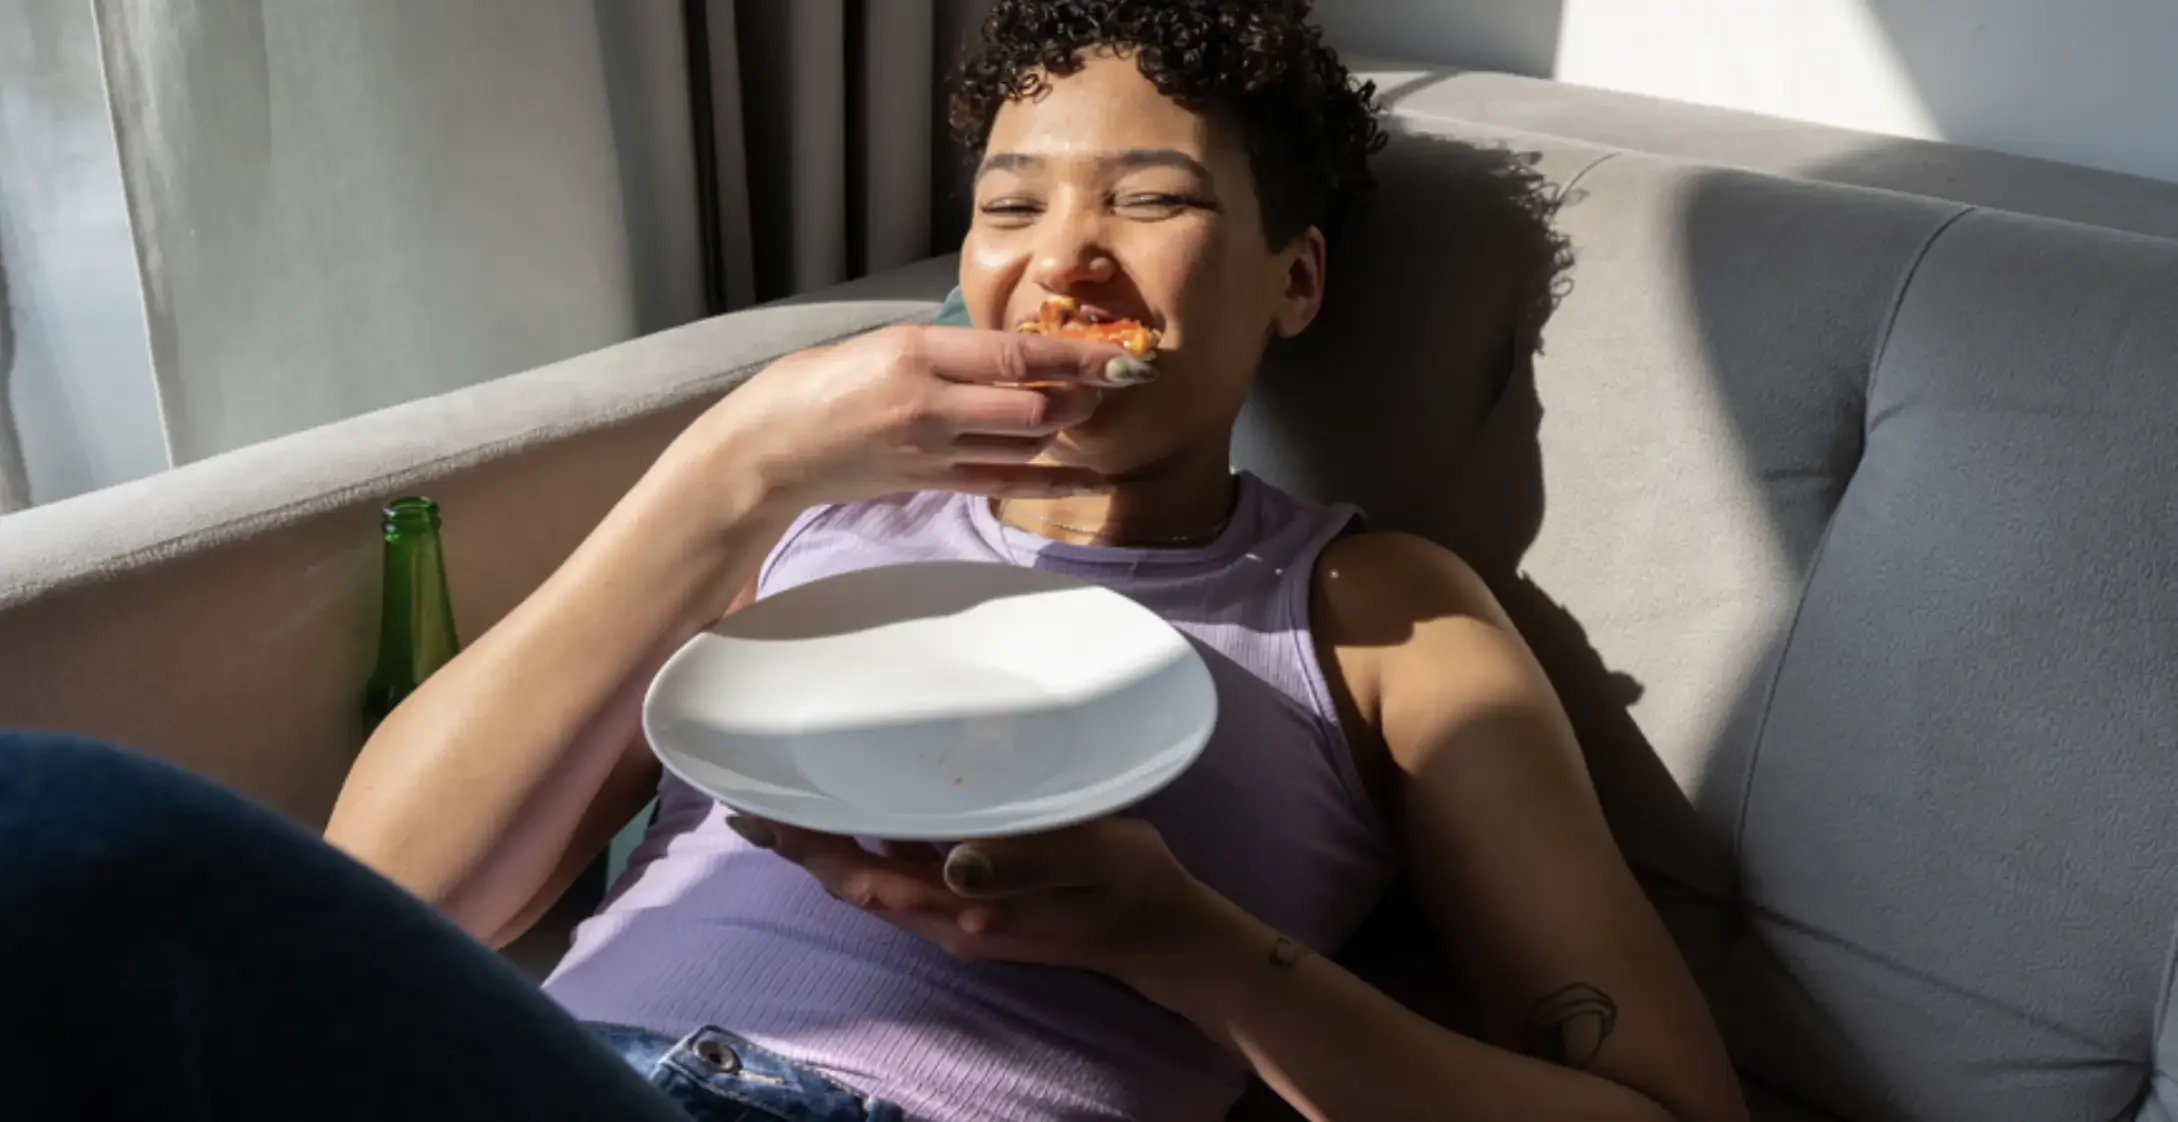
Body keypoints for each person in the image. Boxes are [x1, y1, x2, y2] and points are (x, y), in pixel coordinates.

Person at [3, 3, 1747, 1121]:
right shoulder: (808, 508)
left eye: (1148, 199)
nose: (1065, 254)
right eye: (1008, 205)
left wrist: (1189, 947)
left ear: (1293, 281)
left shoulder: (1375, 611)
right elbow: (394, 895)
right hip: (537, 1069)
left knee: (60, 824)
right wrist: (737, 456)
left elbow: (1667, 1104)